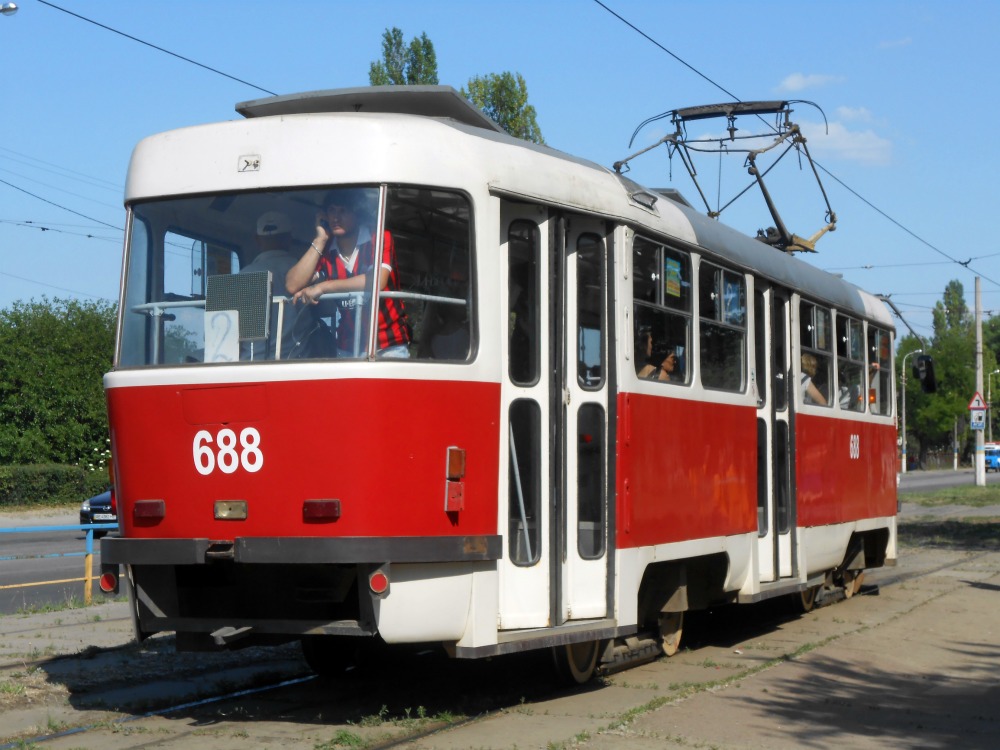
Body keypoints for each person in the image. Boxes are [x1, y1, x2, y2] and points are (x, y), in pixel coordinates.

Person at [286, 189, 410, 358]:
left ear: (357, 213)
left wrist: (323, 287)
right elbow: (293, 284)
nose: (336, 217)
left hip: (388, 345)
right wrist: (320, 239)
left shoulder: (379, 237)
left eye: (343, 211)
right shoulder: (326, 249)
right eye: (331, 211)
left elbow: (377, 281)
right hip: (347, 345)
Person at [240, 211, 325, 360]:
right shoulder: (308, 273)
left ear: (257, 240)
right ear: (289, 239)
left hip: (251, 363)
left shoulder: (242, 275)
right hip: (296, 363)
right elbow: (323, 311)